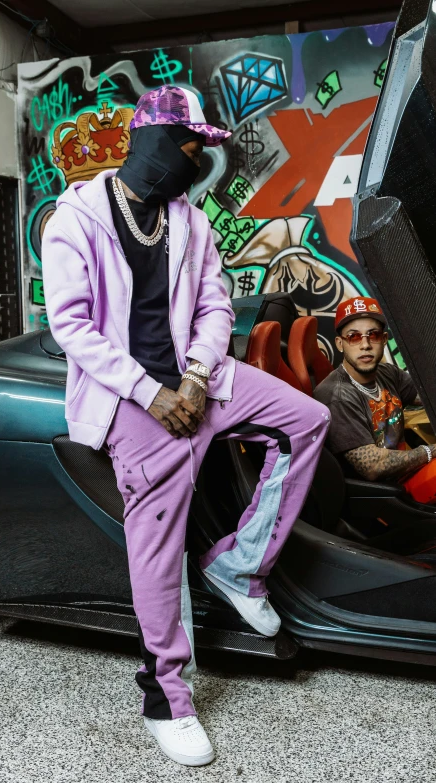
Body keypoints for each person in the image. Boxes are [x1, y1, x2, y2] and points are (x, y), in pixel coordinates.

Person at [42, 85, 329, 767]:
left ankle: (239, 563)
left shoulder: (190, 223)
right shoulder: (73, 219)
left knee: (308, 420)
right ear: (151, 142)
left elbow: (216, 306)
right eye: (190, 145)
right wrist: (154, 392)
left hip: (202, 385)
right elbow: (71, 326)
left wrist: (197, 377)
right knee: (157, 542)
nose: (197, 160)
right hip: (132, 402)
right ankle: (164, 694)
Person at [314, 297, 434, 483]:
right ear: (340, 343)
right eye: (354, 337)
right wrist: (430, 451)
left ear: (384, 339)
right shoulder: (337, 396)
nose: (365, 345)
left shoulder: (388, 373)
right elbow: (373, 467)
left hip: (403, 478)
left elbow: (427, 395)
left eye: (374, 335)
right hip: (380, 499)